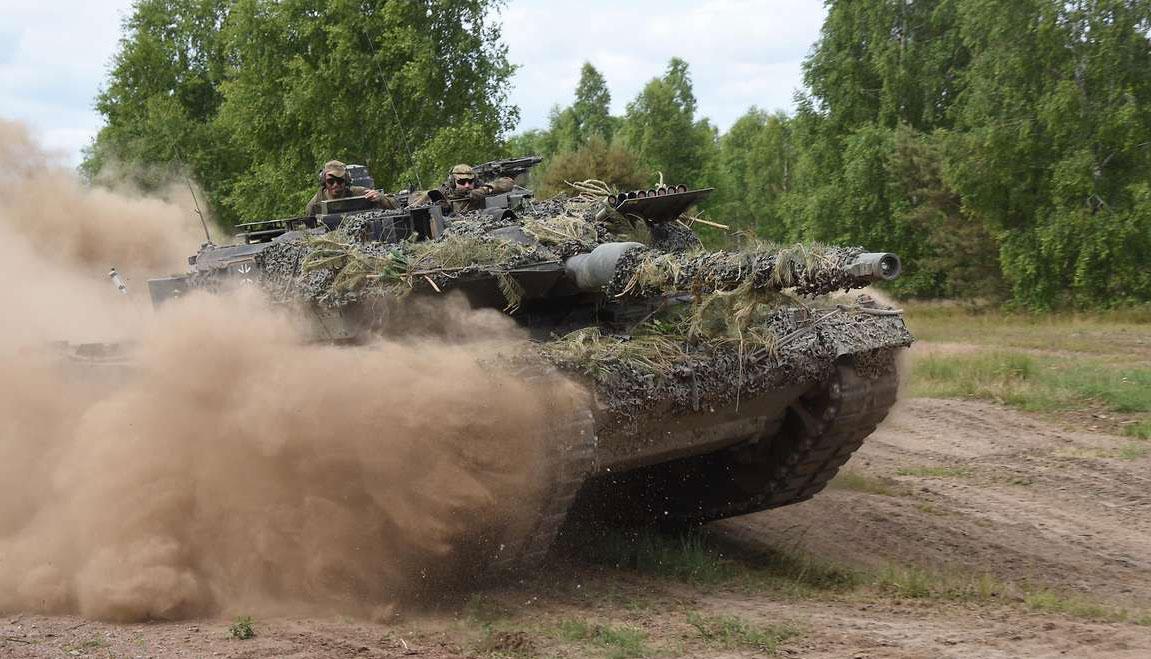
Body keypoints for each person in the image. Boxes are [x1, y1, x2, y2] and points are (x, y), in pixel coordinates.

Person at [408, 163, 515, 213]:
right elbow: (414, 199)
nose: (467, 185)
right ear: (452, 181)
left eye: (470, 181)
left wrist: (486, 189)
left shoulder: (479, 187)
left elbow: (508, 182)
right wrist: (429, 198)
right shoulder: (444, 192)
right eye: (462, 182)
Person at [303, 160, 396, 216]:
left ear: (346, 180)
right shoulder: (315, 204)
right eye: (331, 181)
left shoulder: (359, 193)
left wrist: (381, 199)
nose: (335, 185)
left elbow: (396, 205)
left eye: (340, 181)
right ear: (324, 181)